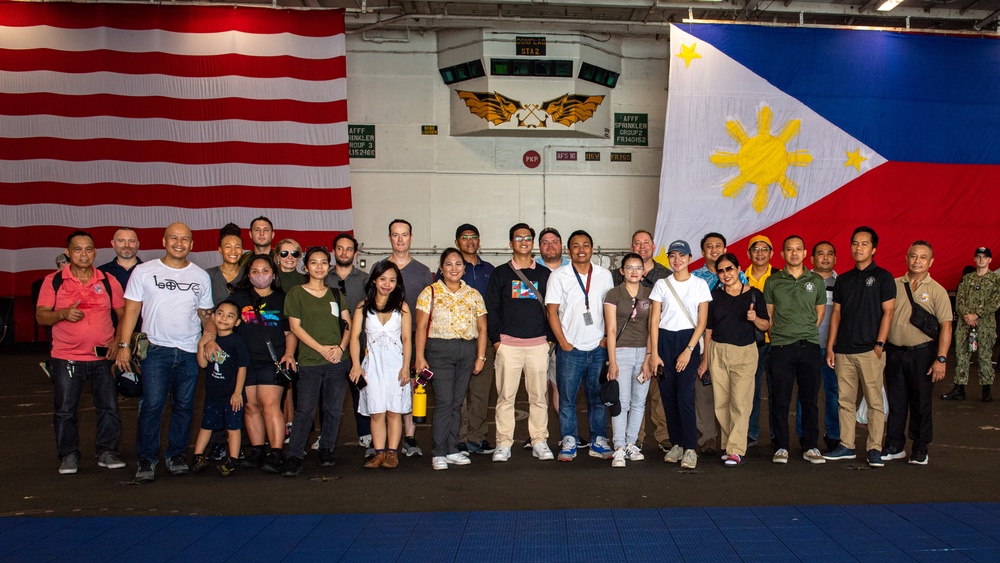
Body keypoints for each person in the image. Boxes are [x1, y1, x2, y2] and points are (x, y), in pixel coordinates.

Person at [114, 222, 215, 483]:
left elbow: (206, 315)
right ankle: (146, 459)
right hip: (155, 351)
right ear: (164, 241)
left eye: (184, 239)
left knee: (184, 406)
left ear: (192, 245)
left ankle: (176, 455)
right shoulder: (145, 271)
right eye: (174, 238)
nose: (179, 243)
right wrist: (124, 347)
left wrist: (210, 338)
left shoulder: (200, 276)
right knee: (152, 405)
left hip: (188, 352)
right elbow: (132, 311)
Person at [36, 230, 126, 474]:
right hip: (66, 357)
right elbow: (41, 316)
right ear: (68, 252)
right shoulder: (54, 281)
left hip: (102, 357)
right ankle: (68, 454)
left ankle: (106, 451)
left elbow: (124, 315)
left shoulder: (108, 280)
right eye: (78, 249)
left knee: (109, 407)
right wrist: (62, 314)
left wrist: (117, 342)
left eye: (88, 249)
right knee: (66, 409)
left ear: (95, 252)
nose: (84, 254)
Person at [824, 226, 896, 467]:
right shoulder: (843, 279)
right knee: (844, 400)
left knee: (875, 402)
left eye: (864, 244)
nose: (858, 248)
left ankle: (874, 448)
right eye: (855, 243)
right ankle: (846, 445)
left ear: (873, 249)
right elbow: (836, 315)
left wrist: (879, 344)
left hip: (870, 351)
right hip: (844, 350)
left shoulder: (884, 277)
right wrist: (831, 346)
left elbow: (888, 312)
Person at [415, 248, 488, 470]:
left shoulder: (474, 294)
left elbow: (483, 328)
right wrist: (419, 356)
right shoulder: (430, 292)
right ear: (441, 268)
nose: (454, 268)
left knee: (457, 403)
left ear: (464, 269)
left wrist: (481, 357)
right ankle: (438, 452)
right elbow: (420, 327)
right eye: (448, 264)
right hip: (439, 351)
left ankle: (452, 448)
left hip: (467, 350)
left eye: (458, 264)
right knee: (445, 402)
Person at [486, 223, 554, 462]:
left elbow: (554, 309)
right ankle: (503, 443)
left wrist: (549, 341)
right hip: (508, 346)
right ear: (510, 243)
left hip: (538, 345)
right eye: (518, 238)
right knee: (506, 397)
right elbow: (492, 309)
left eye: (527, 238)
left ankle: (539, 441)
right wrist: (496, 342)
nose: (523, 241)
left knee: (538, 396)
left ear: (533, 242)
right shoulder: (500, 274)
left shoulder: (545, 275)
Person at [281, 247, 352, 477]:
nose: (319, 266)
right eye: (314, 262)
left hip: (337, 361)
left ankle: (326, 450)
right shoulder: (296, 293)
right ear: (306, 267)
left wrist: (340, 348)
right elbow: (295, 327)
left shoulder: (335, 293)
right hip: (310, 361)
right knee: (305, 410)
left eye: (323, 262)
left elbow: (347, 324)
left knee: (332, 409)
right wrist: (322, 349)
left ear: (329, 266)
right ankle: (295, 455)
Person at [546, 230, 615, 461]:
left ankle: (598, 440)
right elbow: (552, 311)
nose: (581, 249)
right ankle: (569, 439)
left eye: (586, 245)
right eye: (576, 246)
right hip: (570, 349)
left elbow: (610, 309)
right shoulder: (559, 276)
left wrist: (606, 337)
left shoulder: (605, 275)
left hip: (598, 347)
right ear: (569, 250)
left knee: (597, 397)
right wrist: (563, 342)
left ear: (592, 249)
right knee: (567, 398)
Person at [883, 241, 953, 465]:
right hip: (894, 353)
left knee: (921, 403)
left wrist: (941, 359)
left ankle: (920, 447)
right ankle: (894, 444)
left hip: (923, 354)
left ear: (931, 262)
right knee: (896, 401)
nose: (917, 261)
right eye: (913, 256)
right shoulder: (893, 285)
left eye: (923, 257)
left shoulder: (937, 290)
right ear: (906, 258)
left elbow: (946, 327)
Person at [699, 253, 770, 467]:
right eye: (720, 271)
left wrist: (754, 318)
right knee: (721, 402)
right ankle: (730, 444)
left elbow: (766, 325)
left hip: (745, 353)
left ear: (739, 269)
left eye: (729, 269)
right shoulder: (715, 296)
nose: (725, 274)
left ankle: (736, 449)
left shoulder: (755, 295)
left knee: (741, 401)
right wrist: (705, 359)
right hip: (718, 351)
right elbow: (708, 329)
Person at [228, 254, 296, 473]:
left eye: (265, 271)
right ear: (248, 275)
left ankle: (276, 452)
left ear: (273, 274)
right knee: (250, 405)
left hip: (272, 361)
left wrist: (289, 354)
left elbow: (290, 333)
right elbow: (219, 319)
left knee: (269, 403)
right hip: (244, 363)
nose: (260, 275)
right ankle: (257, 450)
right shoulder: (238, 299)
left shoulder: (282, 299)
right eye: (255, 271)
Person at [763, 236, 826, 465]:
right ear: (782, 254)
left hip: (809, 346)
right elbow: (769, 315)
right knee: (780, 399)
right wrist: (782, 334)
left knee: (809, 399)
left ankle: (810, 445)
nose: (794, 253)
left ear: (805, 252)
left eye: (799, 249)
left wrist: (805, 331)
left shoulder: (816, 280)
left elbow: (820, 313)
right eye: (789, 249)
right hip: (781, 347)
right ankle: (781, 446)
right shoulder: (774, 281)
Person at [649, 240, 711, 470]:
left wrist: (689, 349)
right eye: (673, 256)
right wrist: (654, 354)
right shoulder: (662, 284)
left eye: (681, 255)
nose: (677, 260)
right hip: (664, 340)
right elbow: (654, 320)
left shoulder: (700, 284)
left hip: (688, 341)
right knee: (668, 396)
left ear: (690, 257)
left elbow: (702, 321)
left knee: (685, 396)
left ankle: (690, 448)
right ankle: (676, 444)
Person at [349, 260, 412, 469]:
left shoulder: (402, 307)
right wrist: (356, 366)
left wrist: (406, 367)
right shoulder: (362, 307)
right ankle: (378, 452)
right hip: (372, 365)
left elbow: (407, 339)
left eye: (392, 280)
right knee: (376, 411)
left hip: (396, 365)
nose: (387, 284)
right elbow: (354, 337)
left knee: (394, 411)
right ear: (374, 280)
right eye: (383, 279)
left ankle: (392, 453)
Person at [380, 219, 433, 457]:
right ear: (390, 238)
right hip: (385, 340)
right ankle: (383, 439)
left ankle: (409, 438)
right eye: (395, 235)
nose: (400, 239)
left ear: (411, 238)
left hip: (414, 339)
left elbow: (429, 310)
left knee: (413, 387)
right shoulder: (379, 268)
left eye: (404, 235)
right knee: (386, 387)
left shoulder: (422, 271)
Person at [692, 232, 749, 454]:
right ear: (702, 252)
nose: (714, 250)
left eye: (718, 246)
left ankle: (734, 440)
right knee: (704, 391)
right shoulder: (695, 277)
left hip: (734, 343)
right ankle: (707, 436)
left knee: (735, 395)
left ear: (725, 249)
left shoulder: (740, 276)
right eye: (709, 246)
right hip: (703, 339)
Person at [450, 224, 498, 456]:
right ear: (457, 242)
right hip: (457, 338)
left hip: (484, 338)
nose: (469, 241)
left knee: (481, 391)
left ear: (479, 241)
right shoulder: (451, 268)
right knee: (459, 391)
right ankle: (459, 436)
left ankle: (477, 437)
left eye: (473, 237)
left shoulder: (490, 269)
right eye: (464, 237)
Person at [603, 253, 654, 467]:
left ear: (644, 272)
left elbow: (652, 328)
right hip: (621, 353)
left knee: (639, 402)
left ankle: (632, 444)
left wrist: (649, 358)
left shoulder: (650, 294)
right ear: (622, 271)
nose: (634, 271)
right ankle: (618, 447)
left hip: (643, 353)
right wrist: (612, 361)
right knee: (621, 402)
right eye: (629, 267)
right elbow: (611, 329)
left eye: (638, 268)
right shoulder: (613, 294)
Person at [190, 301, 250, 476]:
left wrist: (238, 392)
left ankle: (233, 459)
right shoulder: (209, 340)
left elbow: (242, 367)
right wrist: (202, 344)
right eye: (220, 314)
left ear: (237, 322)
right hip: (213, 394)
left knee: (233, 426)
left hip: (232, 395)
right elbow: (202, 364)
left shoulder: (237, 342)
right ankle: (197, 456)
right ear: (213, 317)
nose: (224, 318)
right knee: (206, 424)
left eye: (230, 316)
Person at [326, 233, 372, 453]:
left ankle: (365, 433)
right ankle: (326, 437)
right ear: (334, 251)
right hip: (328, 347)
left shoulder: (364, 280)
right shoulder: (323, 278)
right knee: (328, 394)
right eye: (340, 248)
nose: (344, 252)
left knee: (360, 391)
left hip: (359, 346)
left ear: (355, 253)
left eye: (348, 249)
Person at [795, 241, 840, 451]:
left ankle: (834, 435)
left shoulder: (842, 283)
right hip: (807, 347)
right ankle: (805, 435)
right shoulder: (802, 282)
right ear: (811, 258)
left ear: (835, 259)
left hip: (834, 350)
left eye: (829, 254)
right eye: (820, 254)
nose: (825, 257)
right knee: (806, 394)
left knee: (834, 393)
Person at [943, 247, 1000, 401]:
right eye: (978, 257)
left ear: (990, 260)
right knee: (961, 355)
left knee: (985, 356)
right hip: (965, 325)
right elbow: (959, 300)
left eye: (984, 257)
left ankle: (986, 390)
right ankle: (959, 388)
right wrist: (967, 316)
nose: (981, 260)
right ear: (974, 259)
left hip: (985, 325)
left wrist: (977, 314)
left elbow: (996, 302)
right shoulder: (967, 279)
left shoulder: (996, 280)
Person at [534, 227, 569, 444]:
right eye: (545, 242)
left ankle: (568, 434)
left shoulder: (572, 267)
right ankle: (538, 435)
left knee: (561, 387)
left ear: (561, 245)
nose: (550, 245)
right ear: (539, 247)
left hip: (563, 338)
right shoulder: (530, 267)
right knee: (538, 388)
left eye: (554, 241)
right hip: (535, 337)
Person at [98, 227, 142, 330]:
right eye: (121, 241)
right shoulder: (100, 273)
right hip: (109, 335)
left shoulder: (148, 272)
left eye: (131, 241)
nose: (127, 245)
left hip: (142, 335)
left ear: (138, 244)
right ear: (113, 244)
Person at [206, 223, 244, 307]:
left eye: (237, 247)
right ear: (220, 249)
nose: (233, 251)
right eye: (228, 247)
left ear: (242, 250)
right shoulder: (209, 275)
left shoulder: (248, 275)